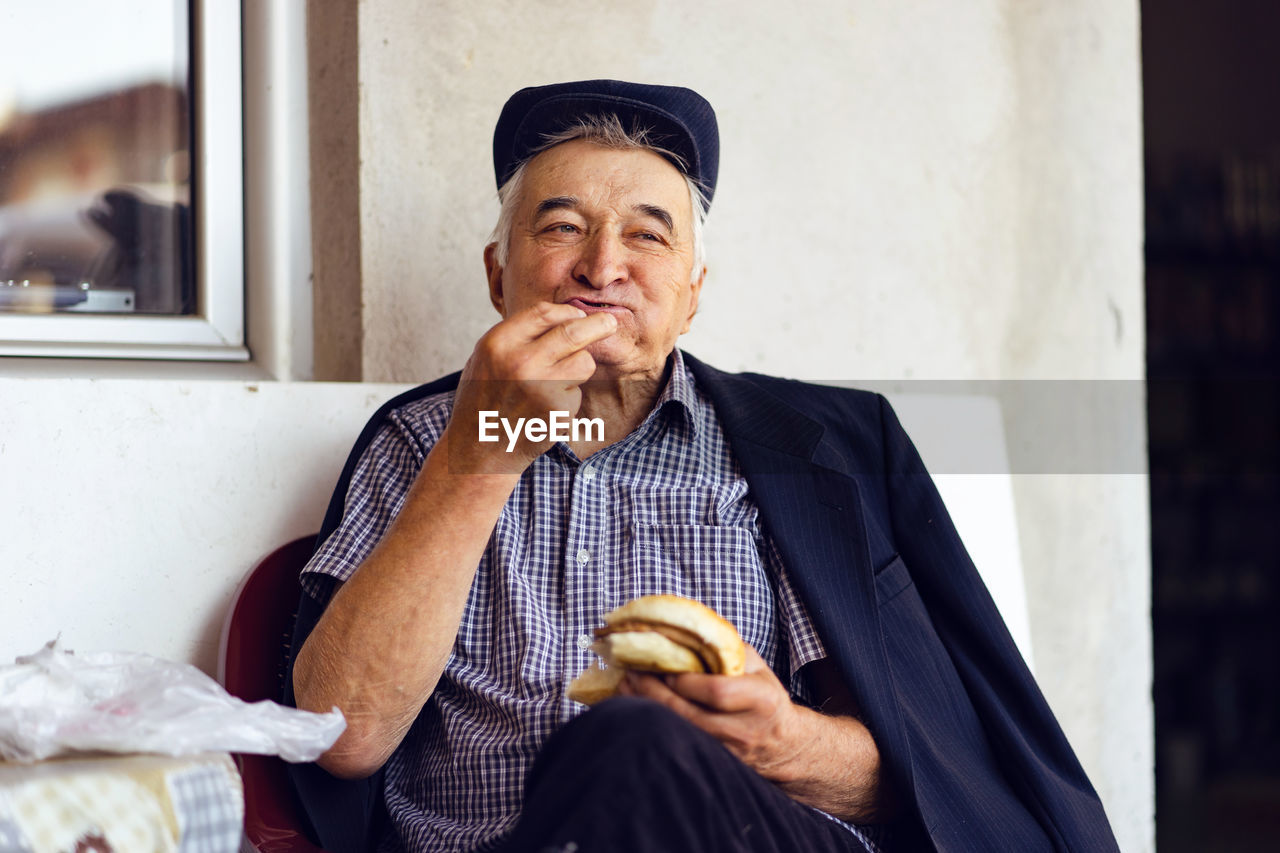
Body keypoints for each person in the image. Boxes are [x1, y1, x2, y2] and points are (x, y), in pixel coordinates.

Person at [286, 80, 1120, 853]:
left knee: (637, 746)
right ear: (499, 275)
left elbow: (918, 773)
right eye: (562, 226)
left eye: (647, 235)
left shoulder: (807, 448)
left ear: (693, 290)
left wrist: (779, 738)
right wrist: (479, 452)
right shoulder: (416, 442)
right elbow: (341, 731)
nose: (603, 266)